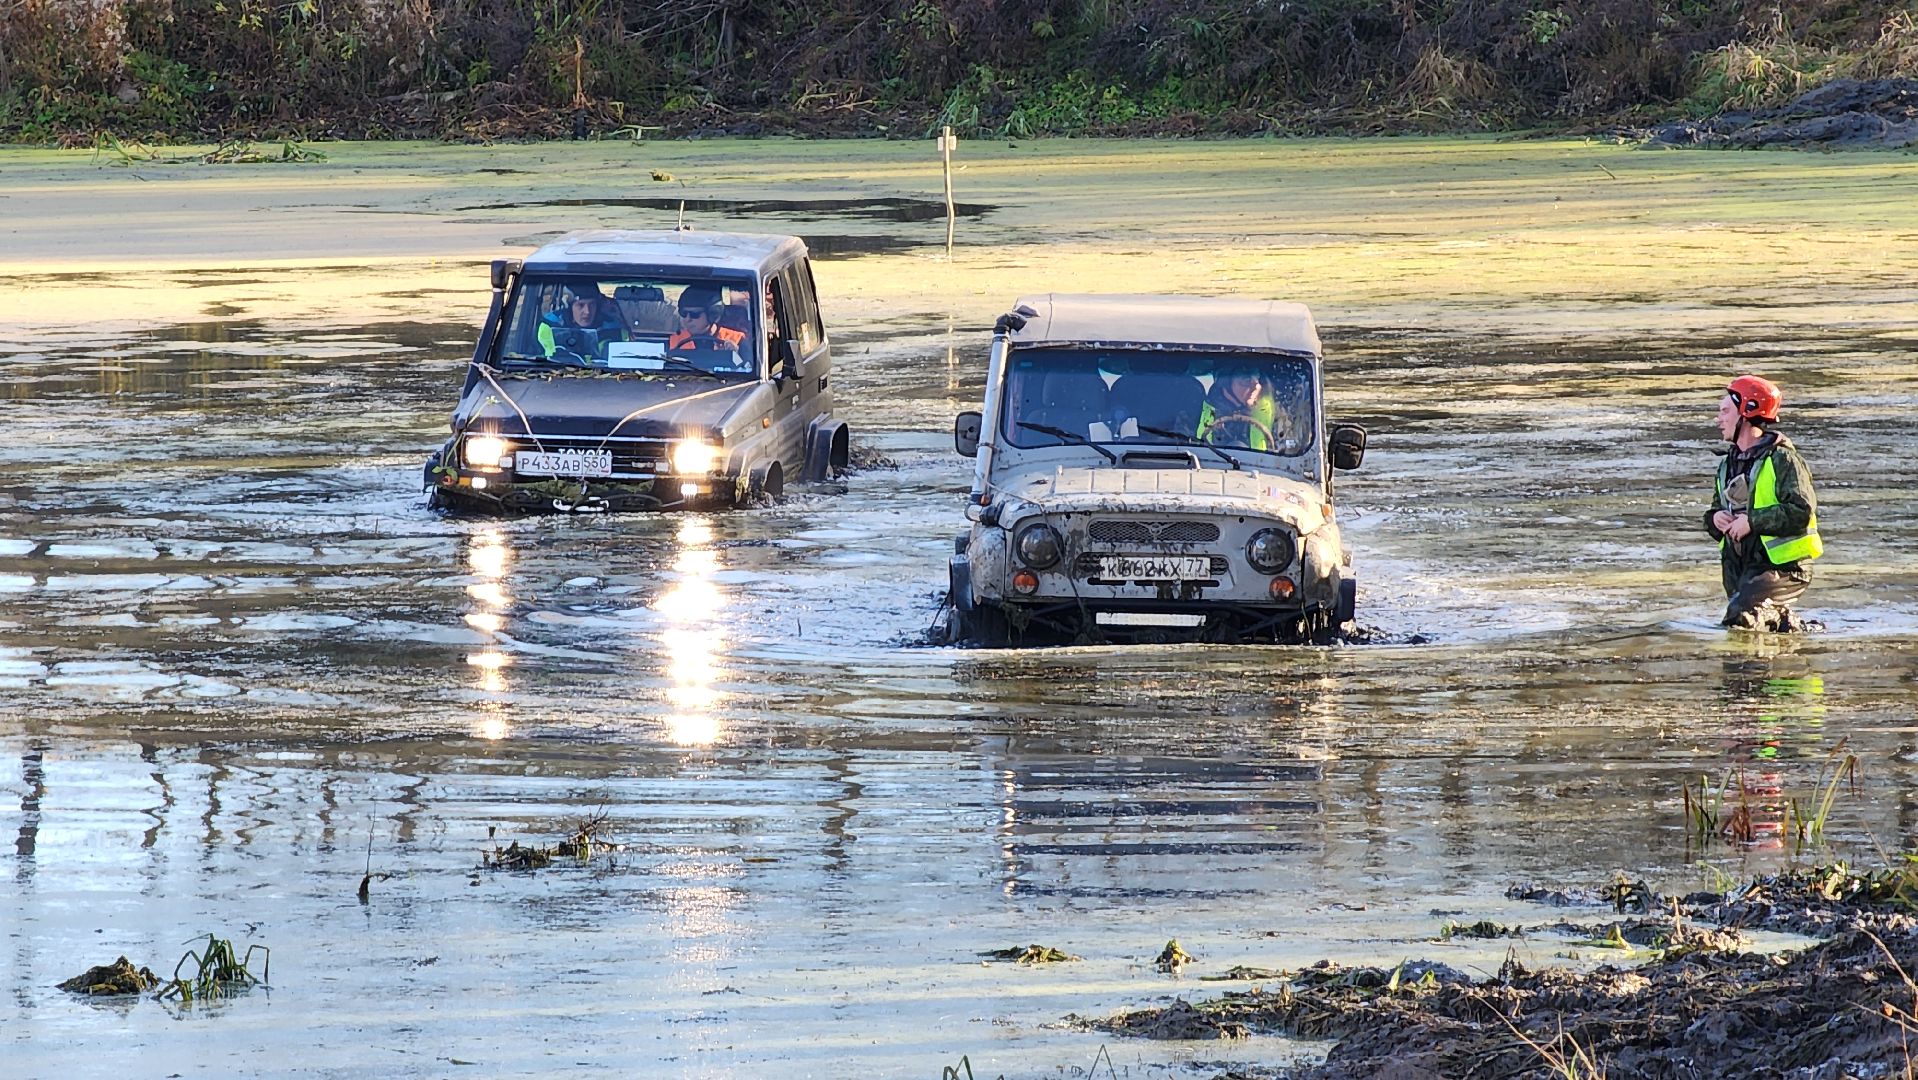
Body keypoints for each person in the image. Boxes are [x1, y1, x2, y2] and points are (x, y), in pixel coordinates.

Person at [1705, 374, 1822, 632]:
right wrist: (1715, 519)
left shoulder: (1784, 460)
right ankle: (1790, 629)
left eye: (1725, 411)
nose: (1718, 418)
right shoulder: (1727, 464)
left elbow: (1800, 511)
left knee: (1741, 621)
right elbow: (1714, 511)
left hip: (1784, 568)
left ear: (1746, 413)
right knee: (1749, 632)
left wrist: (1752, 522)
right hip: (1742, 569)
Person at [1197, 363, 1281, 450]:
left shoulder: (1272, 410)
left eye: (1257, 379)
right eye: (1246, 381)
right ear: (1226, 384)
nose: (1256, 386)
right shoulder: (1206, 409)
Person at [538, 283, 627, 362]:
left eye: (592, 305)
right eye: (580, 305)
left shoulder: (613, 328)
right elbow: (543, 362)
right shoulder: (550, 326)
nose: (587, 311)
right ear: (569, 307)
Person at [668, 284, 746, 354]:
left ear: (713, 314)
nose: (687, 319)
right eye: (683, 313)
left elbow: (747, 367)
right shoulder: (674, 341)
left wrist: (735, 355)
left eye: (695, 314)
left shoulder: (737, 340)